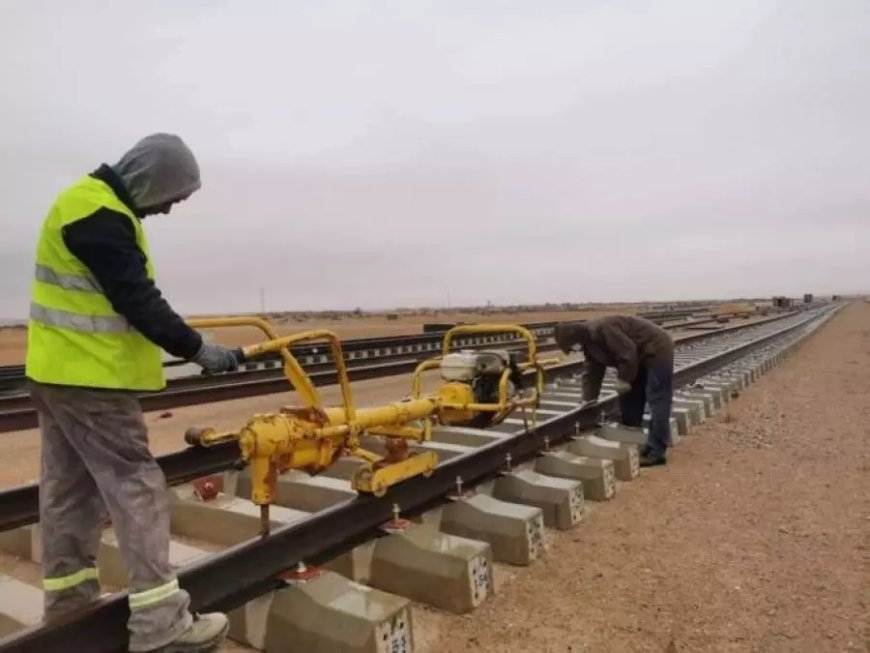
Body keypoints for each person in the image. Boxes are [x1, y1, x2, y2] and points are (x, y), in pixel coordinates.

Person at [25, 134, 240, 652]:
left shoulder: (84, 204)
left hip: (57, 375)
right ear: (152, 179)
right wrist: (199, 349)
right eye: (172, 196)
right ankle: (160, 626)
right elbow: (137, 300)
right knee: (136, 485)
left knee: (68, 491)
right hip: (92, 380)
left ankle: (69, 609)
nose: (168, 208)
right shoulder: (101, 213)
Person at [554, 314, 674, 467]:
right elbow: (593, 370)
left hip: (657, 348)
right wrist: (589, 399)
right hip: (638, 356)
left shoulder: (603, 329)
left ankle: (657, 452)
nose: (575, 350)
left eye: (572, 347)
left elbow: (627, 352)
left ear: (575, 339)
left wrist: (623, 379)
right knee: (628, 395)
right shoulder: (589, 342)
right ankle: (633, 435)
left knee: (657, 398)